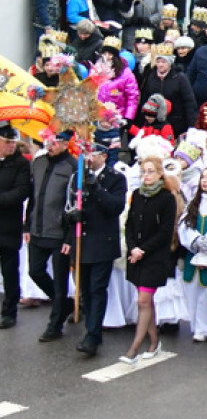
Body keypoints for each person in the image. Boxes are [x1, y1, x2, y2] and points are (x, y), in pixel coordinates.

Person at [64, 140, 127, 356]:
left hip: (102, 242)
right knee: (85, 291)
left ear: (102, 155)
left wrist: (96, 188)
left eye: (92, 154)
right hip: (82, 242)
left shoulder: (116, 178)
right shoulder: (77, 177)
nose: (88, 158)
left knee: (97, 289)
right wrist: (72, 217)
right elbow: (69, 205)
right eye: (85, 153)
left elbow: (115, 207)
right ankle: (94, 330)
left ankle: (91, 334)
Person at [120, 157, 179, 365]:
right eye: (144, 171)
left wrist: (143, 250)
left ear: (160, 174)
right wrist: (132, 247)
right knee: (146, 301)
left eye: (151, 171)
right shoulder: (137, 195)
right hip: (136, 254)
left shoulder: (166, 198)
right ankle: (154, 342)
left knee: (143, 301)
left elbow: (164, 232)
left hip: (154, 256)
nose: (146, 175)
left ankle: (134, 349)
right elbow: (130, 224)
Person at [30, 130, 77, 343]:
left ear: (66, 144)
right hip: (38, 228)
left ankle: (55, 324)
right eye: (48, 142)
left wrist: (69, 237)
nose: (50, 146)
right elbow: (34, 196)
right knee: (35, 271)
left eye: (55, 143)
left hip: (59, 232)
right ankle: (64, 305)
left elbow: (75, 205)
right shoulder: (38, 163)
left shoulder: (73, 166)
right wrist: (26, 226)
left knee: (60, 282)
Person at [177, 166, 207, 343]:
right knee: (193, 290)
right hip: (193, 254)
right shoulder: (193, 205)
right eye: (203, 177)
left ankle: (206, 327)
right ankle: (196, 326)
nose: (204, 181)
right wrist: (194, 240)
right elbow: (183, 226)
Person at [0, 123, 32, 330]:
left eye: (13, 142)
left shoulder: (20, 164)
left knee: (10, 270)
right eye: (7, 142)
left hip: (8, 225)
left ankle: (9, 311)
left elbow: (21, 192)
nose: (11, 146)